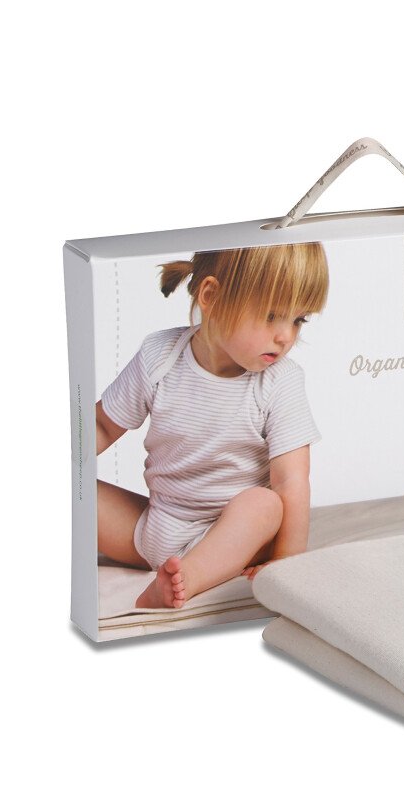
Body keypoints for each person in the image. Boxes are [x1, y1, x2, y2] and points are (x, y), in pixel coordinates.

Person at [95, 242, 328, 609]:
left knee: (265, 504)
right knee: (69, 489)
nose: (286, 336)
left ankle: (187, 577)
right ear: (211, 297)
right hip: (155, 526)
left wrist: (286, 561)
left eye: (299, 320)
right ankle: (172, 568)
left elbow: (291, 481)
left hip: (234, 539)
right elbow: (101, 427)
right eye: (272, 315)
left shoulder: (279, 382)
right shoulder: (160, 356)